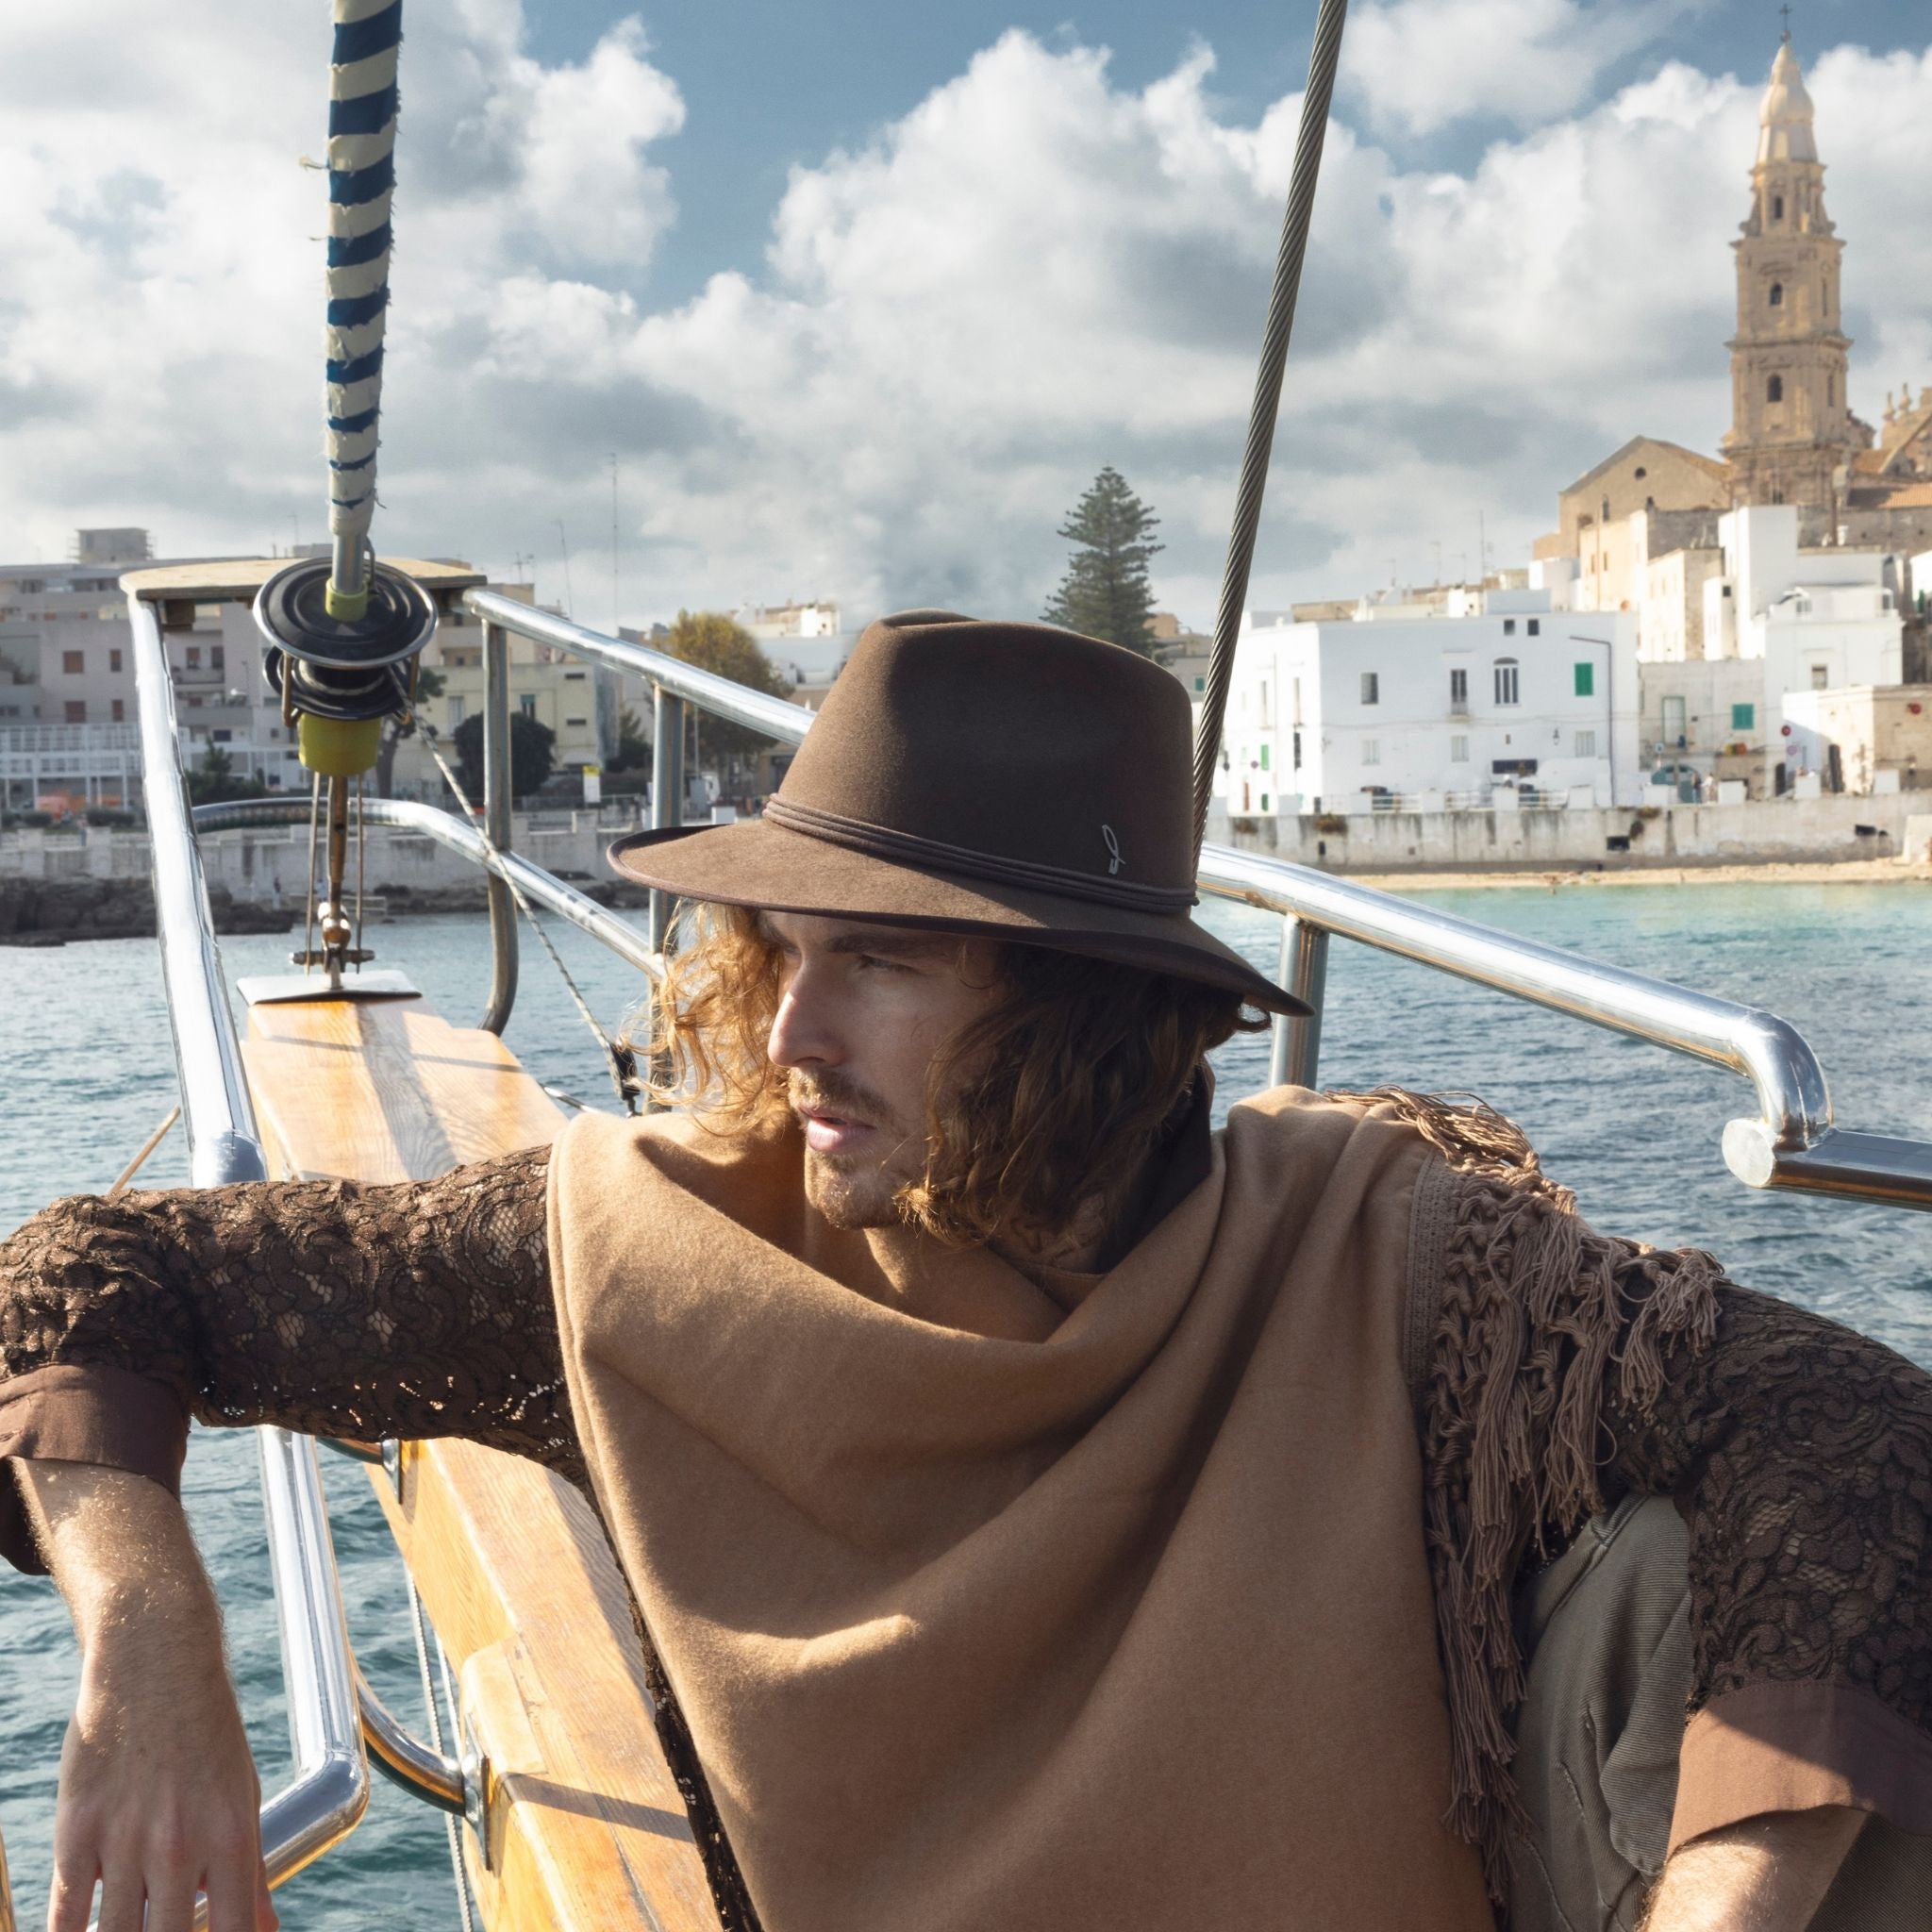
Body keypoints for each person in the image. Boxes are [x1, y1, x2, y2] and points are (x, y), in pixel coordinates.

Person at [2, 610, 1929, 1932]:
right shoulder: (645, 1252)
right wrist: (153, 1631)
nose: (792, 1035)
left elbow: (1846, 1423)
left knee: (1702, 1594)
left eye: (890, 962)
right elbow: (94, 1273)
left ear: (1093, 1016)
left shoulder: (1384, 1259)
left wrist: (1728, 1884)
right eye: (781, 949)